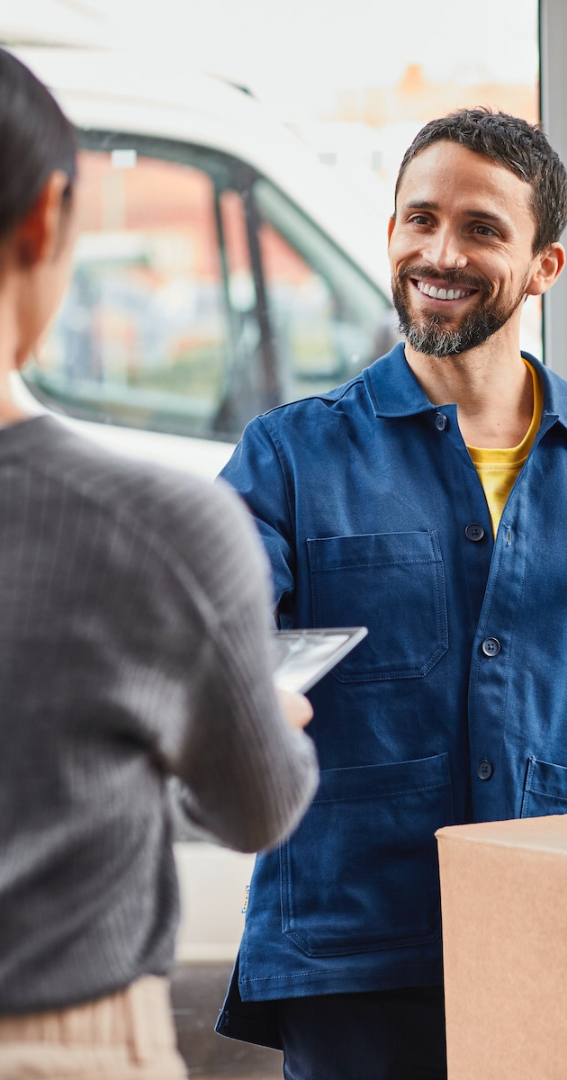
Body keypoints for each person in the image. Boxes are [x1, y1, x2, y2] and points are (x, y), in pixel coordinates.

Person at [215, 107, 567, 1078]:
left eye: (482, 228)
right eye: (419, 219)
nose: (441, 251)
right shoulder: (289, 457)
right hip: (356, 945)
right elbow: (213, 652)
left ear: (543, 266)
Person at [0, 47, 319, 1080]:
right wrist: (272, 721)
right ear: (48, 218)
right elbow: (256, 806)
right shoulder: (163, 531)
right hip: (62, 1041)